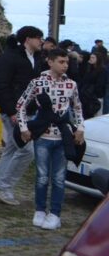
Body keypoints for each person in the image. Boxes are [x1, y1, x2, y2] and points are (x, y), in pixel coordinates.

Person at [16, 48, 84, 231]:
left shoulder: (71, 84)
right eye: (61, 62)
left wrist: (80, 128)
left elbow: (77, 108)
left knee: (59, 178)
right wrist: (23, 128)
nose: (65, 65)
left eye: (67, 62)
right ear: (50, 62)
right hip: (43, 136)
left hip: (62, 136)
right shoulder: (38, 82)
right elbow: (21, 105)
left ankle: (55, 213)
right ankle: (40, 210)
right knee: (42, 176)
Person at [0, 26, 46, 207]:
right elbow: (1, 85)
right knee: (27, 151)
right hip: (14, 112)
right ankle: (3, 186)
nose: (41, 41)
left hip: (29, 111)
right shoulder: (10, 57)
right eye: (38, 37)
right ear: (28, 39)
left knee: (12, 150)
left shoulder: (35, 58)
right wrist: (11, 111)